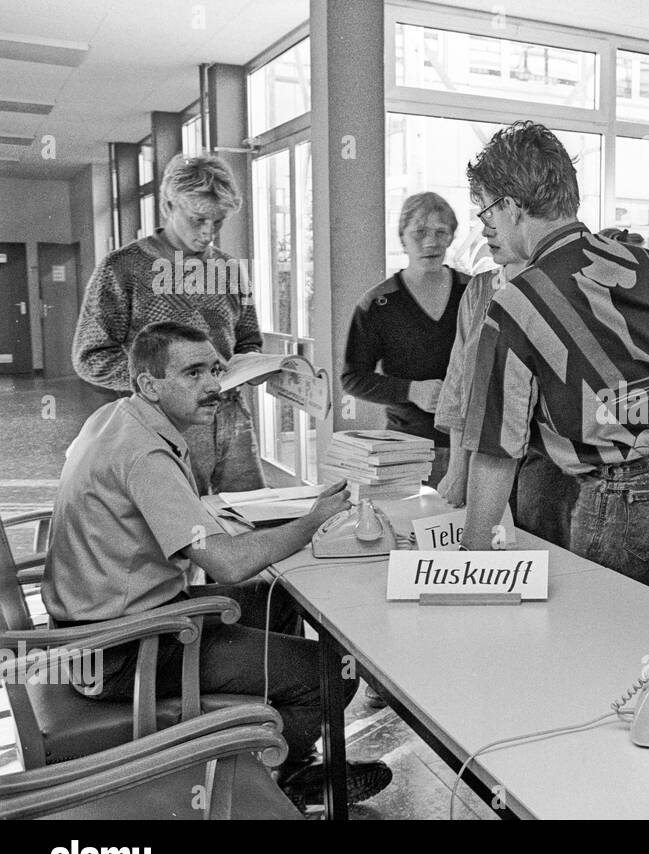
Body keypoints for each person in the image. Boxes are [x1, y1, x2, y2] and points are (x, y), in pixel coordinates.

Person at [43, 321, 393, 810]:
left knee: (275, 599)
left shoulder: (115, 418)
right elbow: (227, 564)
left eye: (216, 370)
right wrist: (313, 521)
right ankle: (278, 784)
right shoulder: (144, 453)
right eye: (192, 373)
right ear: (149, 384)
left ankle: (287, 754)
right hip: (124, 649)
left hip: (100, 623)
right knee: (333, 672)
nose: (213, 385)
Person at [459, 121, 649, 604]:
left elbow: (497, 448)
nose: (485, 227)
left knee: (594, 651)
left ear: (513, 208)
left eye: (487, 211)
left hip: (612, 503)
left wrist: (471, 559)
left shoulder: (516, 302)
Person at [73, 154, 265, 495]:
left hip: (231, 419)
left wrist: (252, 366)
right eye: (198, 219)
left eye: (219, 221)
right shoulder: (122, 268)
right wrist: (167, 386)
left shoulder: (231, 269)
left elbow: (249, 338)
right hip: (161, 423)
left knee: (251, 516)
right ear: (167, 206)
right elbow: (91, 357)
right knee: (178, 535)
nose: (208, 232)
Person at [434, 247, 581, 549]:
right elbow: (460, 380)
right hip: (486, 448)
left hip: (545, 459)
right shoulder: (480, 288)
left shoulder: (562, 285)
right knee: (485, 551)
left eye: (496, 211)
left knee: (537, 552)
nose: (487, 226)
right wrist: (457, 466)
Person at [342, 191, 472, 485]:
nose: (431, 242)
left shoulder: (473, 293)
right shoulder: (377, 303)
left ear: (452, 237)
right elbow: (352, 378)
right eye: (420, 233)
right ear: (402, 238)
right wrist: (412, 390)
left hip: (469, 446)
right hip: (405, 449)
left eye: (441, 232)